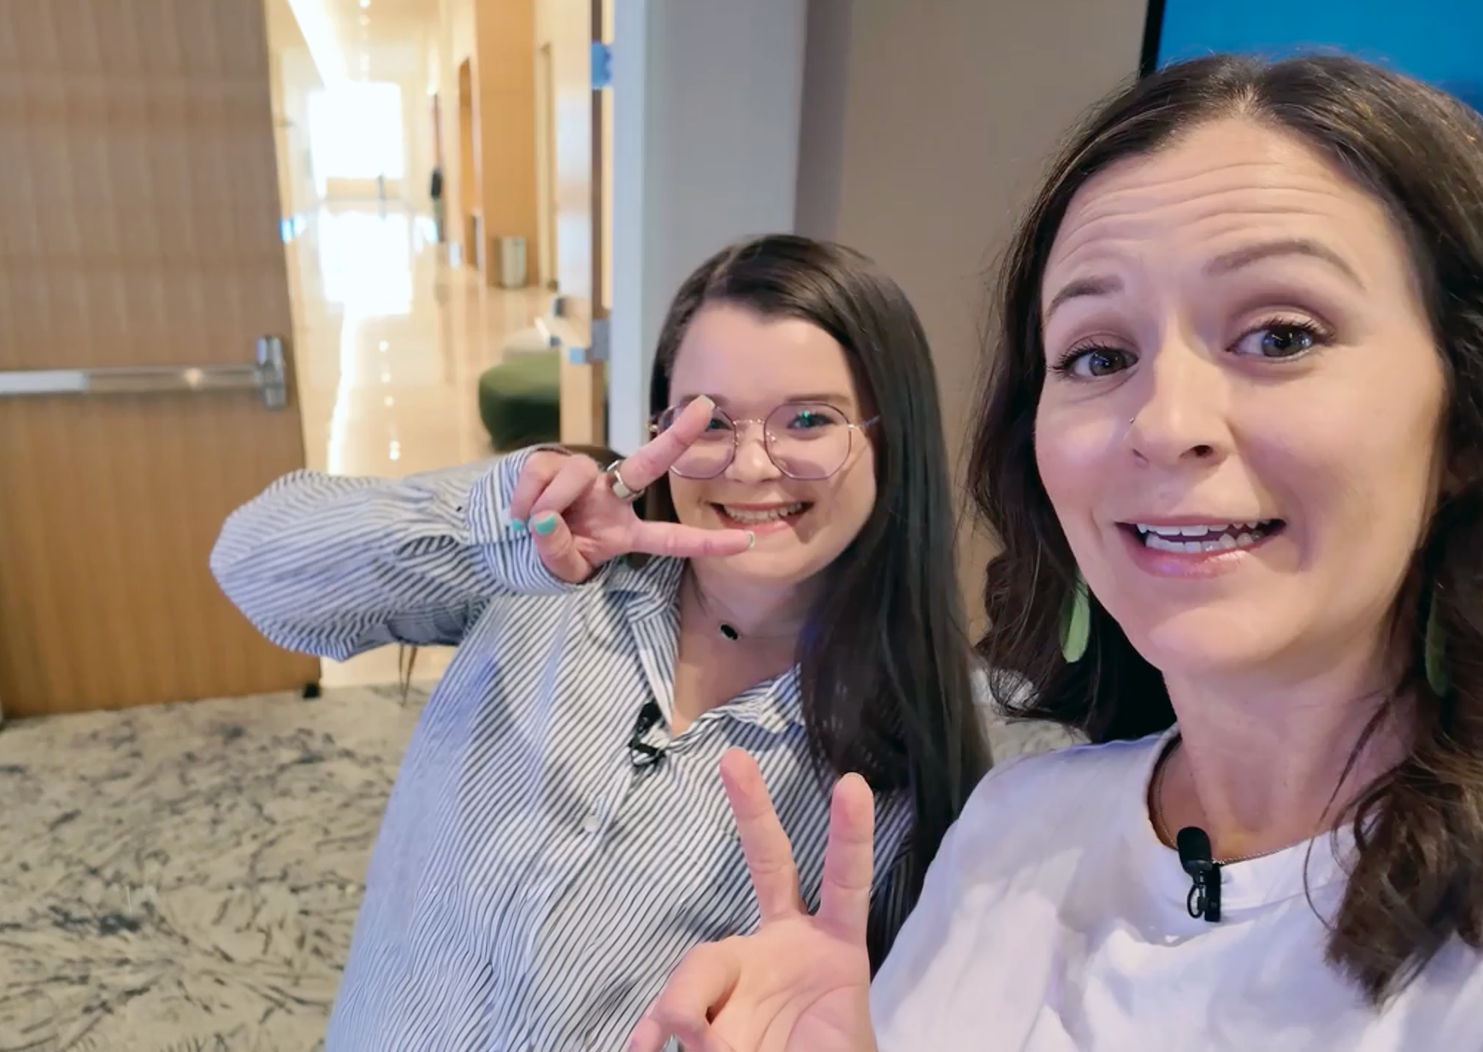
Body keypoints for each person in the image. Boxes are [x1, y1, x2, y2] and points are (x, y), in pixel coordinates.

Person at [630, 54, 1483, 1052]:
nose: (1166, 423)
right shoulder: (1015, 822)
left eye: (1281, 335)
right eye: (1098, 355)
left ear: (1460, 415)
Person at [210, 234, 991, 1051]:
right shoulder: (549, 570)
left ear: (891, 439)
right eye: (707, 420)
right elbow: (253, 566)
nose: (750, 466)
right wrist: (495, 534)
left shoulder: (909, 774)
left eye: (808, 420)